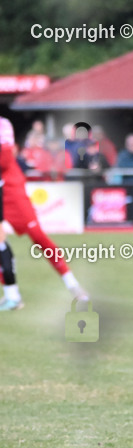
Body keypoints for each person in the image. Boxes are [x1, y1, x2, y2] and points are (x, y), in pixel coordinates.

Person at [0, 117, 89, 309]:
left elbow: (6, 158)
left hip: (13, 196)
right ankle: (11, 294)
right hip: (4, 192)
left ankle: (72, 284)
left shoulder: (3, 124)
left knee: (40, 239)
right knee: (2, 245)